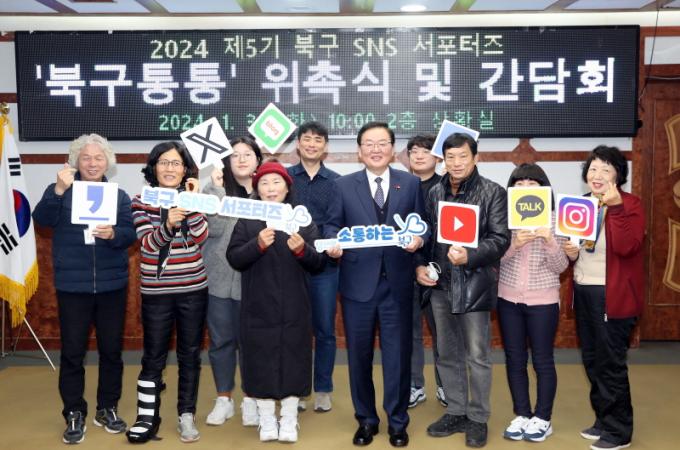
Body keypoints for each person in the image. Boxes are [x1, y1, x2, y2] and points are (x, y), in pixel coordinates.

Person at [325, 121, 428, 448]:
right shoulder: (343, 186)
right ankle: (366, 420)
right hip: (357, 286)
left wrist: (419, 239)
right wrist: (332, 243)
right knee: (359, 356)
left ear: (392, 149)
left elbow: (423, 225)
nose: (376, 149)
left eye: (382, 143)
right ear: (359, 151)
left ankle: (398, 422)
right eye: (369, 143)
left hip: (397, 285)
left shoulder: (410, 183)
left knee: (398, 356)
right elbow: (331, 226)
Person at [32, 133, 136, 445]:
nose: (92, 163)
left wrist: (114, 234)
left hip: (112, 285)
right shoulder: (59, 190)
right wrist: (58, 191)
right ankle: (74, 412)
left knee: (111, 352)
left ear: (108, 162)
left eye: (99, 157)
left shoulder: (118, 196)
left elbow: (130, 233)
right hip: (72, 287)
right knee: (73, 353)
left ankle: (107, 408)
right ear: (75, 161)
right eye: (86, 157)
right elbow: (41, 219)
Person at [415, 132, 510, 448]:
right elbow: (427, 236)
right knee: (446, 352)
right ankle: (456, 410)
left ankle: (478, 417)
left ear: (476, 158)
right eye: (450, 157)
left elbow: (500, 239)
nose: (456, 163)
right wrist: (420, 266)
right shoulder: (435, 191)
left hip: (473, 285)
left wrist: (471, 255)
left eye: (463, 156)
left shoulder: (492, 192)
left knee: (478, 355)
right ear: (443, 160)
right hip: (440, 284)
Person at [227, 161, 326, 443]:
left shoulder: (301, 219)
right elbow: (234, 258)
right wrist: (256, 244)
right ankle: (267, 418)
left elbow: (318, 262)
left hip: (296, 305)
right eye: (264, 183)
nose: (271, 189)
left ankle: (290, 418)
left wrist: (302, 250)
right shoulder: (248, 220)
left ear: (287, 187)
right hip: (258, 306)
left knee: (294, 359)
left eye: (276, 182)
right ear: (257, 189)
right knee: (260, 360)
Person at [562, 146, 644, 450]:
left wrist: (617, 208)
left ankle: (619, 432)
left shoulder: (631, 204)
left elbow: (627, 247)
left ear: (618, 176)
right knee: (592, 361)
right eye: (593, 169)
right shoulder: (581, 204)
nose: (597, 175)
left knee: (610, 365)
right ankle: (604, 419)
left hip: (614, 296)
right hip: (584, 291)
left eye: (606, 170)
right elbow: (576, 252)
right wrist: (570, 252)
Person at [126, 142, 208, 444]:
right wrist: (168, 224)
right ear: (154, 167)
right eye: (164, 162)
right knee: (153, 356)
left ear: (185, 170)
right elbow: (147, 245)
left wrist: (192, 203)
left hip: (193, 289)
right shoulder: (141, 201)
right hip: (157, 292)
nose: (170, 168)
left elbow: (200, 237)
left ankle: (187, 414)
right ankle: (147, 417)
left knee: (190, 354)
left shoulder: (194, 198)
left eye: (176, 163)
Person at [497, 163, 568, 442]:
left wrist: (549, 239)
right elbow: (494, 262)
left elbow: (561, 266)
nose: (525, 188)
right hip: (508, 299)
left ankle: (543, 418)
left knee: (542, 360)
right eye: (519, 183)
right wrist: (514, 244)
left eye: (532, 183)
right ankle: (523, 414)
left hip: (543, 301)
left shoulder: (556, 219)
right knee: (515, 359)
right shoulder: (504, 218)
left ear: (544, 189)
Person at [202, 136, 263, 427]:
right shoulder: (213, 189)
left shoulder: (268, 189)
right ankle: (223, 399)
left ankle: (251, 398)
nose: (241, 159)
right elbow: (212, 229)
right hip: (218, 279)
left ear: (257, 159)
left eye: (247, 154)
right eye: (235, 154)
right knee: (221, 341)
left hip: (256, 279)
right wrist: (216, 189)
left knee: (253, 343)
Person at [287, 121, 341, 413]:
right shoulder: (283, 178)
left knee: (325, 330)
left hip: (324, 267)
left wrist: (332, 242)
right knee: (294, 329)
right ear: (298, 144)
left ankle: (322, 388)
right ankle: (297, 388)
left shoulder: (336, 182)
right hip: (289, 265)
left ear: (325, 147)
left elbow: (336, 221)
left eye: (318, 140)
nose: (312, 144)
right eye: (306, 139)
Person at [404, 134, 445, 410]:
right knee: (410, 332)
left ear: (438, 156)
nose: (419, 156)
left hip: (440, 271)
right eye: (414, 151)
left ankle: (446, 385)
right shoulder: (401, 186)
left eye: (425, 151)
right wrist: (416, 263)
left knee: (444, 333)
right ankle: (414, 385)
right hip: (406, 268)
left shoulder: (447, 186)